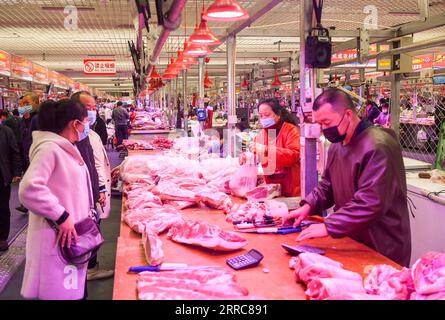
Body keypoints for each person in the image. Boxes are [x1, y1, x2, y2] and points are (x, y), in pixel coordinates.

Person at [283, 88, 411, 267]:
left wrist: (329, 226)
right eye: (320, 124)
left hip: (381, 244)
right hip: (352, 238)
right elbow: (328, 185)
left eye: (327, 122)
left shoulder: (378, 147)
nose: (323, 130)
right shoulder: (338, 145)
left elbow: (371, 202)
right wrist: (308, 205)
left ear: (348, 115)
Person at [18, 99, 92, 299]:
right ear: (74, 123)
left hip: (68, 237)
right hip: (55, 236)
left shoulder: (64, 146)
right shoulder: (49, 149)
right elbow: (29, 188)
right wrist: (61, 216)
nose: (87, 125)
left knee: (71, 290)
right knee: (58, 292)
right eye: (86, 120)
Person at [70, 92, 114, 280]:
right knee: (89, 231)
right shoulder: (73, 138)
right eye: (88, 108)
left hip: (94, 193)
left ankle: (89, 267)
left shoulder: (88, 133)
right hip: (86, 197)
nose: (93, 111)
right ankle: (88, 269)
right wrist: (100, 190)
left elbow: (96, 163)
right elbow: (91, 165)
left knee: (93, 228)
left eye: (94, 108)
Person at [244, 98, 301, 197]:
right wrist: (247, 157)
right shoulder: (261, 135)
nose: (263, 119)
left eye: (267, 115)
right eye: (261, 116)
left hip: (291, 189)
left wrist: (266, 150)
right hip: (271, 189)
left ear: (278, 115)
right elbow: (255, 155)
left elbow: (293, 156)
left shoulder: (290, 130)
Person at [0, 113, 22, 251]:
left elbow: (15, 152)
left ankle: (2, 237)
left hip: (2, 176)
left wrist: (16, 172)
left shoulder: (6, 131)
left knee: (2, 208)